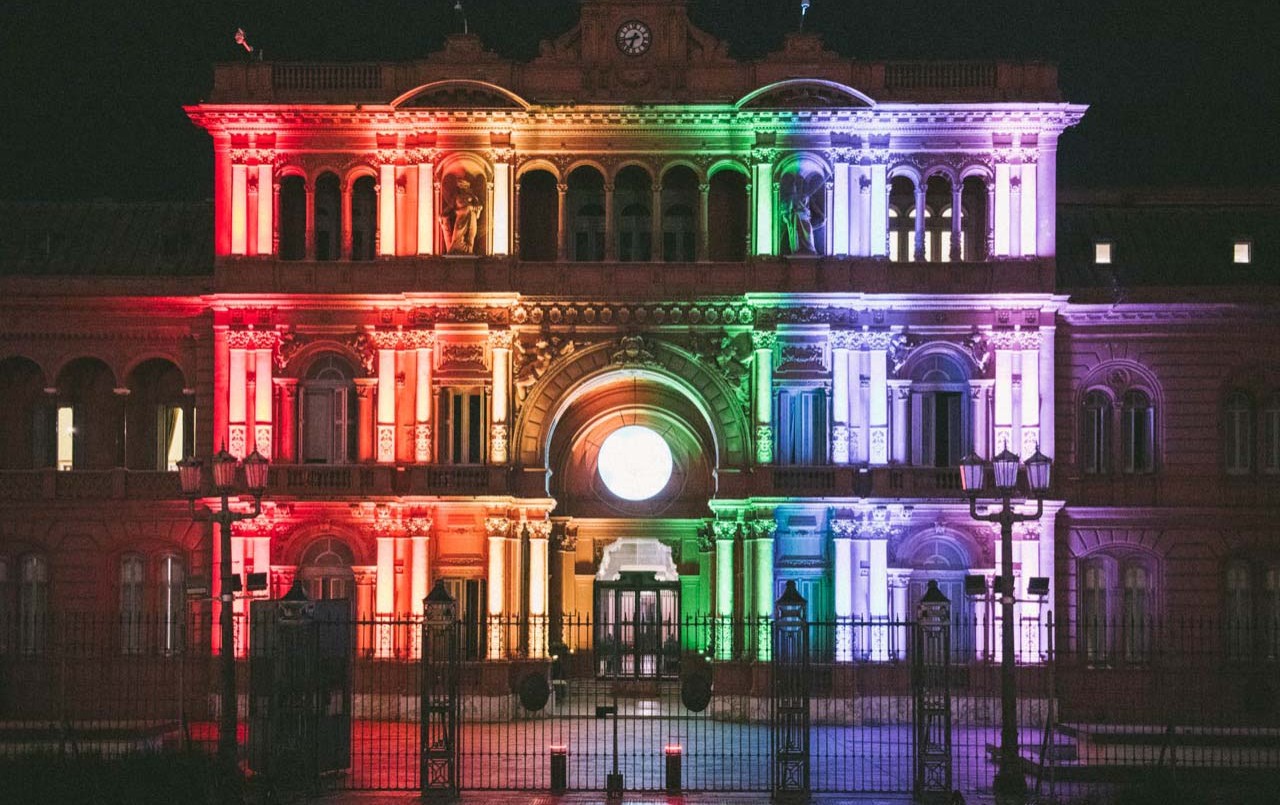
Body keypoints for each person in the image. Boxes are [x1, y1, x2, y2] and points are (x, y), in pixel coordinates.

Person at [440, 178, 483, 254]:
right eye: (460, 186)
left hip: (471, 217)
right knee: (457, 238)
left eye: (463, 186)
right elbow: (450, 207)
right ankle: (455, 251)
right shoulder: (456, 197)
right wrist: (442, 215)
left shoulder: (472, 196)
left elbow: (479, 206)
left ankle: (469, 251)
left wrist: (476, 208)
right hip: (460, 218)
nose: (462, 188)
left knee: (471, 236)